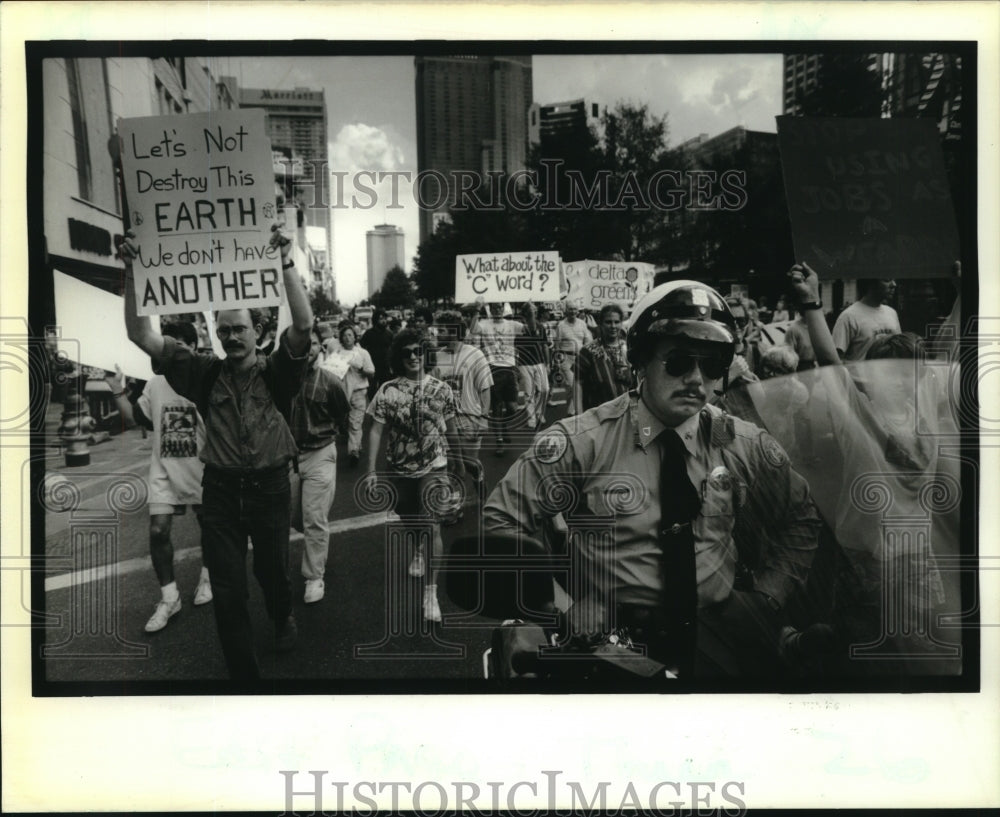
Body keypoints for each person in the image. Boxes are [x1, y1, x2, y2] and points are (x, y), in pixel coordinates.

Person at [484, 280, 822, 678]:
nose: (697, 378)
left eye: (711, 365)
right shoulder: (582, 441)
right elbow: (499, 522)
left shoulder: (744, 443)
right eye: (679, 361)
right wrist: (563, 605)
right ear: (641, 360)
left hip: (715, 641)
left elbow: (801, 516)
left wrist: (767, 597)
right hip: (610, 649)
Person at [122, 224, 313, 681]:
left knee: (273, 576)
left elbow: (304, 325)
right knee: (227, 591)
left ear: (258, 330)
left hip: (269, 489)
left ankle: (281, 614)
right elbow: (141, 336)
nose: (232, 336)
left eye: (240, 328)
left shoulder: (278, 370)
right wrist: (130, 270)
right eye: (224, 330)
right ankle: (243, 677)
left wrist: (286, 262)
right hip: (222, 494)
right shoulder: (203, 372)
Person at [781, 263, 960, 674]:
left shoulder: (923, 415)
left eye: (910, 373)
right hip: (866, 557)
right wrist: (810, 301)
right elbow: (829, 360)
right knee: (856, 644)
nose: (901, 381)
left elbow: (950, 348)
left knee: (907, 643)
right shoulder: (858, 416)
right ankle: (798, 645)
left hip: (914, 554)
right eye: (889, 374)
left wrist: (962, 292)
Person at [106, 321, 212, 633]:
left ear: (192, 348)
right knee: (157, 531)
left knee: (209, 526)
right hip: (164, 469)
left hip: (203, 467)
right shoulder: (155, 383)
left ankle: (208, 575)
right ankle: (169, 597)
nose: (170, 354)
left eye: (178, 346)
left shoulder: (206, 378)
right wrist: (116, 388)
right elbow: (136, 417)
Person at [363, 329, 464, 622]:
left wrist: (459, 462)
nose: (412, 357)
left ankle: (430, 594)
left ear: (426, 354)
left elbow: (453, 428)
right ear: (398, 357)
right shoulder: (387, 390)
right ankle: (418, 547)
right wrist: (370, 470)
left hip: (435, 465)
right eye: (406, 352)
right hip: (398, 468)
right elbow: (376, 429)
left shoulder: (442, 390)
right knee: (409, 517)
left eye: (418, 351)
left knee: (432, 525)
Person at [288, 328, 350, 604]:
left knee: (314, 517)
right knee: (293, 517)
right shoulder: (282, 381)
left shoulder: (331, 382)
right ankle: (318, 543)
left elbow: (343, 415)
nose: (309, 348)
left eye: (314, 344)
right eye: (304, 343)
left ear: (320, 350)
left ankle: (314, 577)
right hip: (288, 457)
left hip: (320, 453)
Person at [433, 310, 493, 505]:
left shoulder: (475, 355)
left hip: (469, 417)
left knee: (470, 464)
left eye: (441, 330)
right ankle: (455, 506)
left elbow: (485, 389)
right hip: (445, 421)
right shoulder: (436, 356)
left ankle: (484, 493)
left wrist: (483, 419)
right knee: (451, 465)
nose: (436, 333)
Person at [470, 302, 523, 456]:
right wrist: (477, 309)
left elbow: (530, 329)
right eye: (494, 308)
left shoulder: (512, 324)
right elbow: (473, 330)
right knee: (497, 407)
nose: (497, 310)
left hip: (509, 368)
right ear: (490, 310)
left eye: (500, 307)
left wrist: (530, 309)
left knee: (513, 408)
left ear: (503, 308)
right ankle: (499, 440)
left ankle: (503, 426)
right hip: (492, 367)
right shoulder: (484, 324)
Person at [323, 323, 375, 467]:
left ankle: (353, 452)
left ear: (355, 337)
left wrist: (361, 369)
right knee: (342, 422)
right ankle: (355, 444)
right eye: (344, 335)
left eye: (350, 335)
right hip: (342, 393)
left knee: (355, 423)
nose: (347, 338)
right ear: (341, 338)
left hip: (358, 392)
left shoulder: (362, 353)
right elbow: (328, 373)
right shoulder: (337, 354)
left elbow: (371, 372)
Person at [577, 303, 635, 411]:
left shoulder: (628, 348)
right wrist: (579, 415)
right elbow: (577, 383)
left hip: (625, 413)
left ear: (621, 323)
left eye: (616, 322)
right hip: (597, 414)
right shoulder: (587, 351)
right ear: (600, 324)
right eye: (608, 322)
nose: (613, 326)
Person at [831, 278, 900, 361]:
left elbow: (899, 348)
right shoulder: (848, 316)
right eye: (886, 280)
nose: (894, 284)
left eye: (893, 280)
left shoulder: (891, 313)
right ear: (871, 284)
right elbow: (836, 359)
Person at [514, 301, 551, 430]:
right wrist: (515, 367)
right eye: (531, 312)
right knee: (529, 393)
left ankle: (540, 413)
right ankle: (531, 420)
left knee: (544, 389)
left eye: (534, 312)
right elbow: (514, 349)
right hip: (524, 364)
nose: (533, 314)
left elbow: (545, 345)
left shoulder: (540, 327)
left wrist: (548, 363)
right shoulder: (518, 328)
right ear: (525, 314)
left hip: (539, 362)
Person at [552, 303, 592, 416]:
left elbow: (587, 340)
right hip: (566, 359)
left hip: (579, 358)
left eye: (575, 309)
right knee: (571, 385)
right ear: (566, 310)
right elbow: (557, 345)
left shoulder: (582, 324)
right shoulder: (561, 325)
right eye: (570, 309)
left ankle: (571, 412)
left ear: (577, 310)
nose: (573, 311)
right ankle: (573, 413)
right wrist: (557, 362)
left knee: (578, 386)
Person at [360, 308, 393, 398]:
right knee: (371, 390)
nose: (384, 321)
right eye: (381, 319)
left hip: (385, 366)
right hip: (372, 365)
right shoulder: (368, 333)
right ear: (375, 320)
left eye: (385, 318)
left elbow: (392, 349)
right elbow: (361, 348)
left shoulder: (389, 334)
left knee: (385, 389)